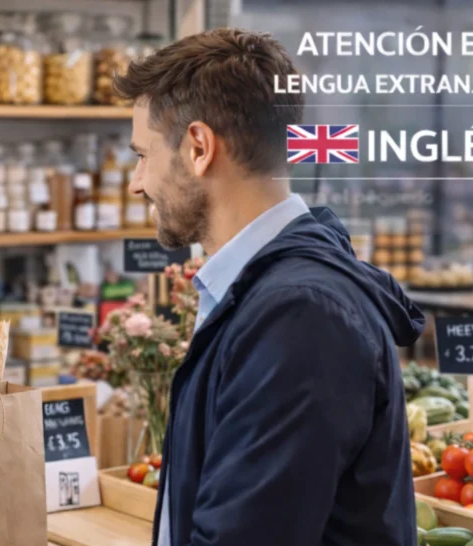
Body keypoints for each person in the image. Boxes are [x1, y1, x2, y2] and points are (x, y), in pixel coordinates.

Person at [115, 29, 425, 545]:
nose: (136, 182)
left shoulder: (300, 317)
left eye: (144, 155)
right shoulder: (262, 291)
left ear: (198, 148)